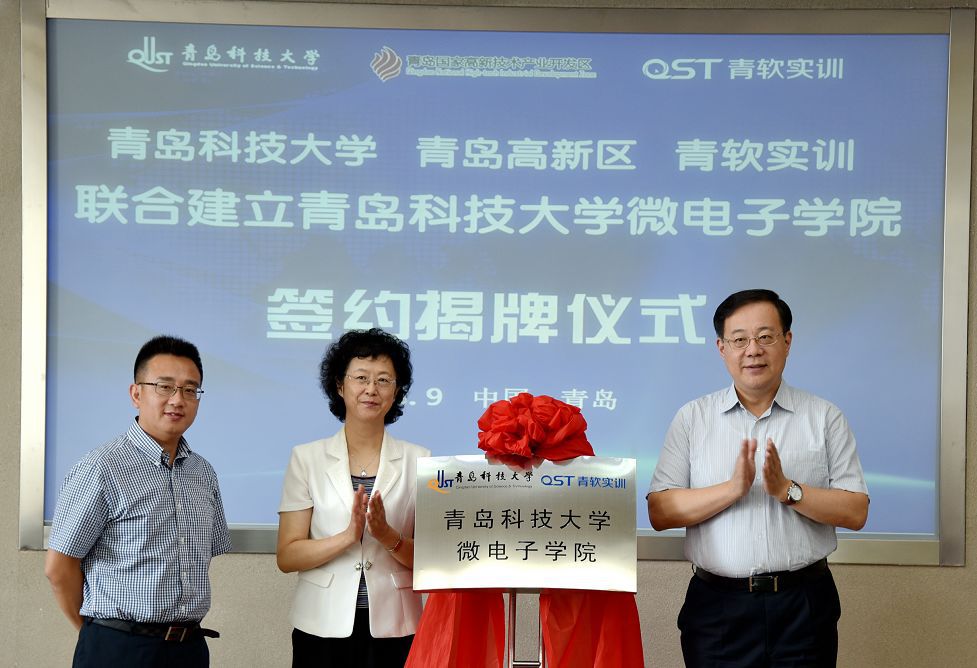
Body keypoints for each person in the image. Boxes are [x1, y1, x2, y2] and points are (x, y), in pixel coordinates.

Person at [647, 289, 869, 668]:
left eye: (765, 337)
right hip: (717, 609)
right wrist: (732, 489)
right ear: (721, 348)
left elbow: (855, 511)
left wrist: (787, 490)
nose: (753, 350)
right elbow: (660, 511)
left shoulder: (824, 417)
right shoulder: (692, 418)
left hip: (803, 606)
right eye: (739, 340)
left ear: (787, 341)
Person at [45, 335, 231, 668]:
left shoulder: (203, 473)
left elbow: (203, 558)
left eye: (190, 390)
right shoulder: (101, 468)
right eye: (164, 387)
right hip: (118, 649)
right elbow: (59, 568)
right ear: (136, 394)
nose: (178, 399)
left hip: (189, 648)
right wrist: (97, 635)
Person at [277, 328, 430, 667]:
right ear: (339, 385)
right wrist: (348, 536)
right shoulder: (307, 458)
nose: (371, 389)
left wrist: (387, 536)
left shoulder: (420, 460)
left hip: (396, 626)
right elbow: (287, 556)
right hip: (321, 625)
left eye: (383, 380)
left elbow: (431, 559)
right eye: (361, 377)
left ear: (397, 391)